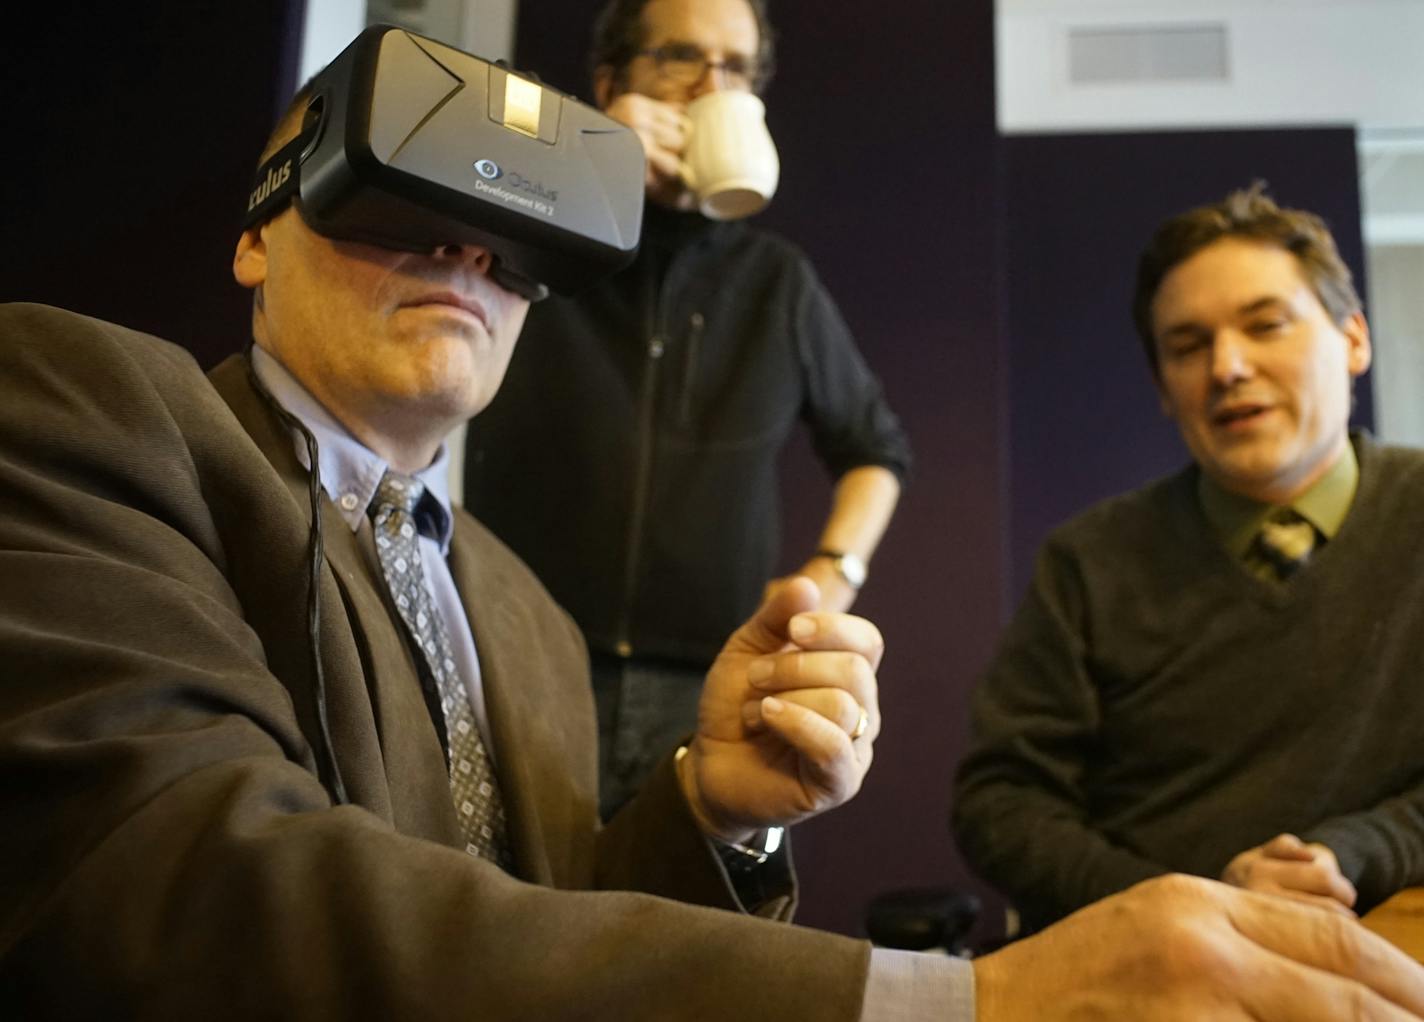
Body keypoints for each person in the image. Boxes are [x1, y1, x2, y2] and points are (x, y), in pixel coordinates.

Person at [4, 64, 1424, 1022]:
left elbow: (552, 932)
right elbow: (191, 884)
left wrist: (713, 809)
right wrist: (951, 998)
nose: (467, 258)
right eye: (406, 205)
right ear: (262, 232)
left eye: (517, 234)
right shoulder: (88, 411)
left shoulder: (524, 616)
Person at [463, 0, 912, 819]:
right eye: (681, 56)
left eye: (736, 68)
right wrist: (584, 159)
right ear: (611, 83)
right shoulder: (539, 230)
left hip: (714, 681)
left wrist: (833, 573)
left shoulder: (774, 280)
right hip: (521, 657)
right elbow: (461, 222)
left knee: (688, 930)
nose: (712, 84)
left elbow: (877, 450)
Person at [952, 184, 1424, 936]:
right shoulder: (1090, 561)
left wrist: (1351, 854)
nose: (1228, 366)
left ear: (1354, 339)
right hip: (1147, 962)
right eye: (1187, 345)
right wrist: (1192, 905)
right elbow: (1000, 805)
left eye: (1266, 325)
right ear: (1165, 390)